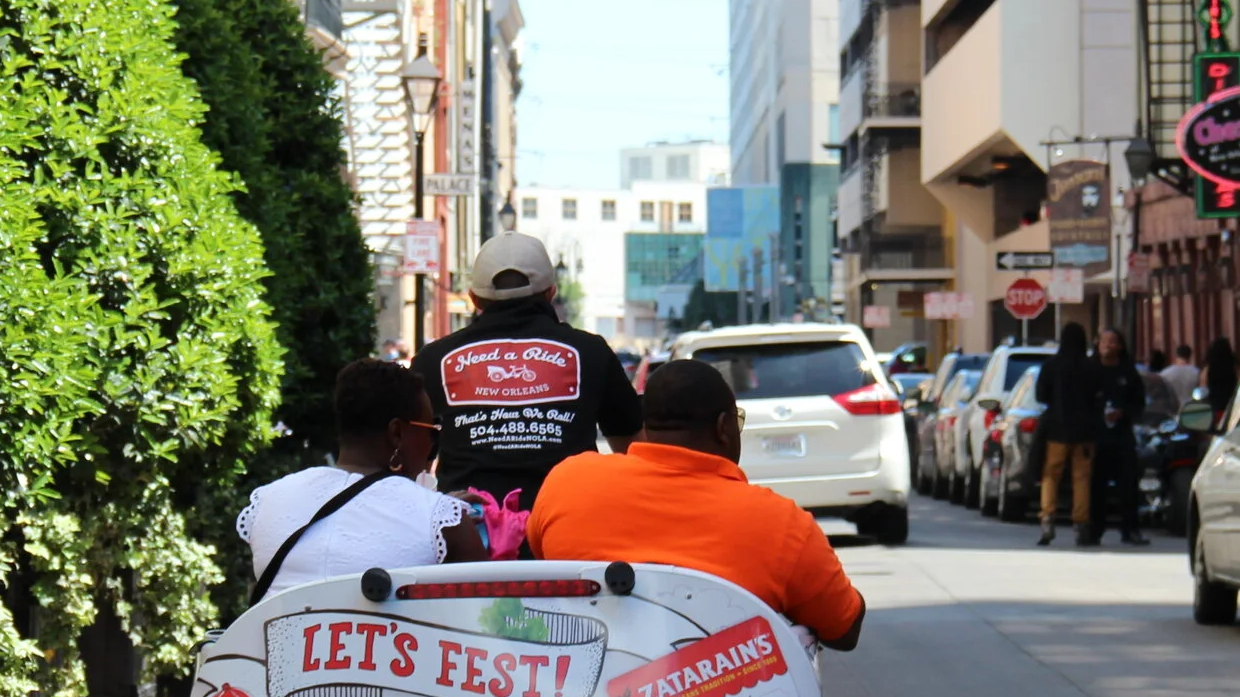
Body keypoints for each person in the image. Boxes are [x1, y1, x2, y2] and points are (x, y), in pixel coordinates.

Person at [527, 361, 866, 648]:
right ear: (724, 427)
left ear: (647, 427)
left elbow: (542, 563)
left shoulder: (568, 481)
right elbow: (844, 628)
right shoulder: (781, 523)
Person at [410, 231, 641, 510]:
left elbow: (413, 461)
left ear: (474, 299)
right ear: (550, 292)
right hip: (566, 531)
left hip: (470, 536)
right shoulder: (591, 352)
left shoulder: (434, 359)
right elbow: (632, 452)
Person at [237, 359, 486, 596]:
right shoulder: (445, 524)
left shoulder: (269, 500)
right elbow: (486, 621)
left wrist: (437, 509)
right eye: (431, 431)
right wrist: (444, 513)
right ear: (397, 433)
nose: (432, 443)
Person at [1033, 321, 1102, 547]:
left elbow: (1041, 396)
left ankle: (1047, 517)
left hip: (1056, 430)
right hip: (1085, 432)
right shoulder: (1092, 367)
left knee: (1051, 475)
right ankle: (1081, 523)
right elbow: (1099, 398)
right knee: (1081, 477)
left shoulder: (1051, 366)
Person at [1094, 328, 1150, 547]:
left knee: (1128, 484)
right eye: (1104, 341)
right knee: (1095, 485)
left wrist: (1123, 413)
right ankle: (1094, 529)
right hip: (1096, 436)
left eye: (1113, 342)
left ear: (1120, 346)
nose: (1108, 345)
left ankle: (1130, 529)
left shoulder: (1128, 373)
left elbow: (1139, 403)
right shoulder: (1091, 371)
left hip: (1122, 436)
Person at [1202, 335, 1240, 420]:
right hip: (1232, 404)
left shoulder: (1209, 368)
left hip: (1214, 406)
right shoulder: (1234, 366)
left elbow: (1203, 387)